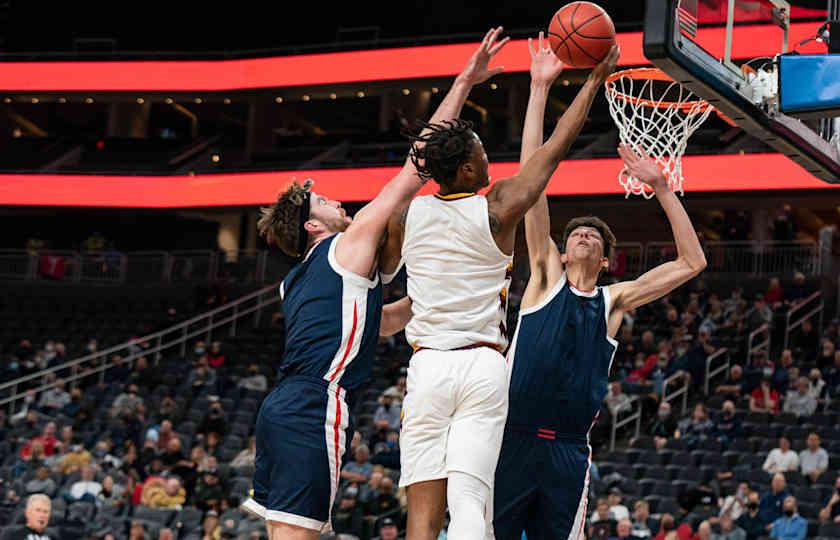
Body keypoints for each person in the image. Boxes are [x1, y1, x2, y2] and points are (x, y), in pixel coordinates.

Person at [240, 32, 508, 540]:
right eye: (319, 201)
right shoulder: (352, 241)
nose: (333, 200)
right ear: (311, 227)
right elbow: (419, 163)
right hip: (316, 404)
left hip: (279, 409)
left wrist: (449, 294)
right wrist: (465, 81)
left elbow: (376, 323)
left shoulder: (296, 282)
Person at [377, 34, 621, 540]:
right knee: (470, 502)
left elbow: (422, 154)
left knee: (421, 514)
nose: (490, 157)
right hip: (483, 366)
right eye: (483, 151)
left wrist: (466, 80)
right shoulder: (497, 207)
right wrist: (594, 79)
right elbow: (553, 151)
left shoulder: (408, 213)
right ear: (468, 167)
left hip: (426, 363)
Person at [482, 28, 704, 538]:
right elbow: (531, 175)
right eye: (576, 233)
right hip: (511, 436)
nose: (583, 235)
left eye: (593, 236)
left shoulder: (614, 300)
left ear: (606, 260)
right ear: (560, 251)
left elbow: (692, 262)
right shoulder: (542, 275)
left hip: (569, 450)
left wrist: (662, 186)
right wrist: (539, 90)